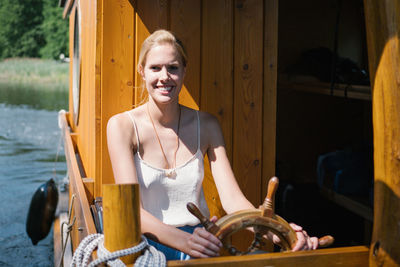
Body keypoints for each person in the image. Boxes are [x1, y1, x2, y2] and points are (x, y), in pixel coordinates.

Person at [107, 29, 318, 261]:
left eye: (173, 68)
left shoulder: (207, 125)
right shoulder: (121, 126)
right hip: (146, 245)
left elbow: (232, 200)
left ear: (184, 71)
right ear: (142, 72)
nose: (164, 76)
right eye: (155, 68)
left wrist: (280, 231)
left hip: (198, 243)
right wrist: (184, 242)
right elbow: (132, 211)